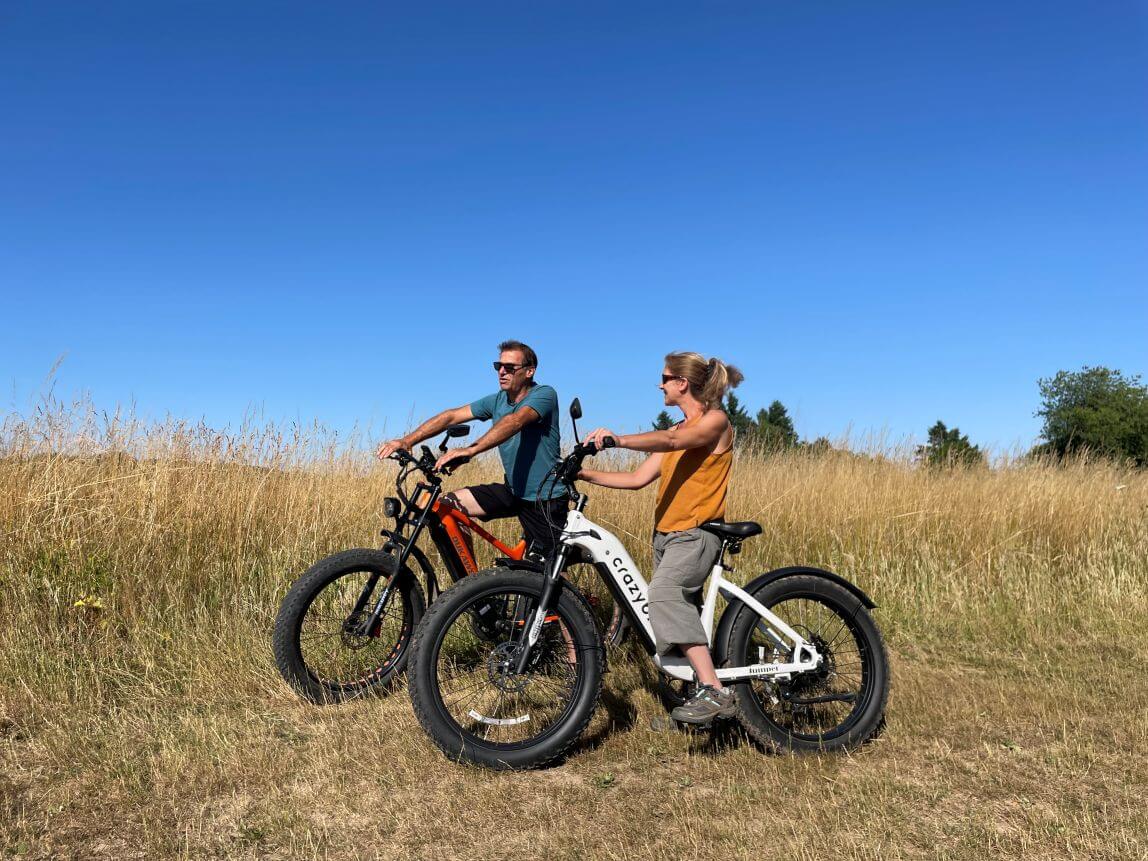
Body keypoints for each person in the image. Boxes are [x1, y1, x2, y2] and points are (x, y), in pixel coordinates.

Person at [579, 351, 743, 725]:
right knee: (676, 617)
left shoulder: (714, 422)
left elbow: (673, 443)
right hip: (667, 537)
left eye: (665, 378)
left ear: (682, 383)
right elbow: (636, 480)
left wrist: (616, 439)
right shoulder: (676, 431)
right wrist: (586, 475)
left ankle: (714, 691)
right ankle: (694, 702)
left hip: (696, 535)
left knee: (664, 596)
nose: (660, 385)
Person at [376, 340, 567, 559]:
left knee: (549, 576)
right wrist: (408, 440)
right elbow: (451, 416)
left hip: (544, 500)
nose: (502, 372)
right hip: (513, 491)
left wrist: (470, 450)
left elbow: (515, 422)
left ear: (529, 371)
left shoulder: (544, 394)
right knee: (445, 506)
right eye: (499, 366)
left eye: (510, 368)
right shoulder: (497, 400)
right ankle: (470, 586)